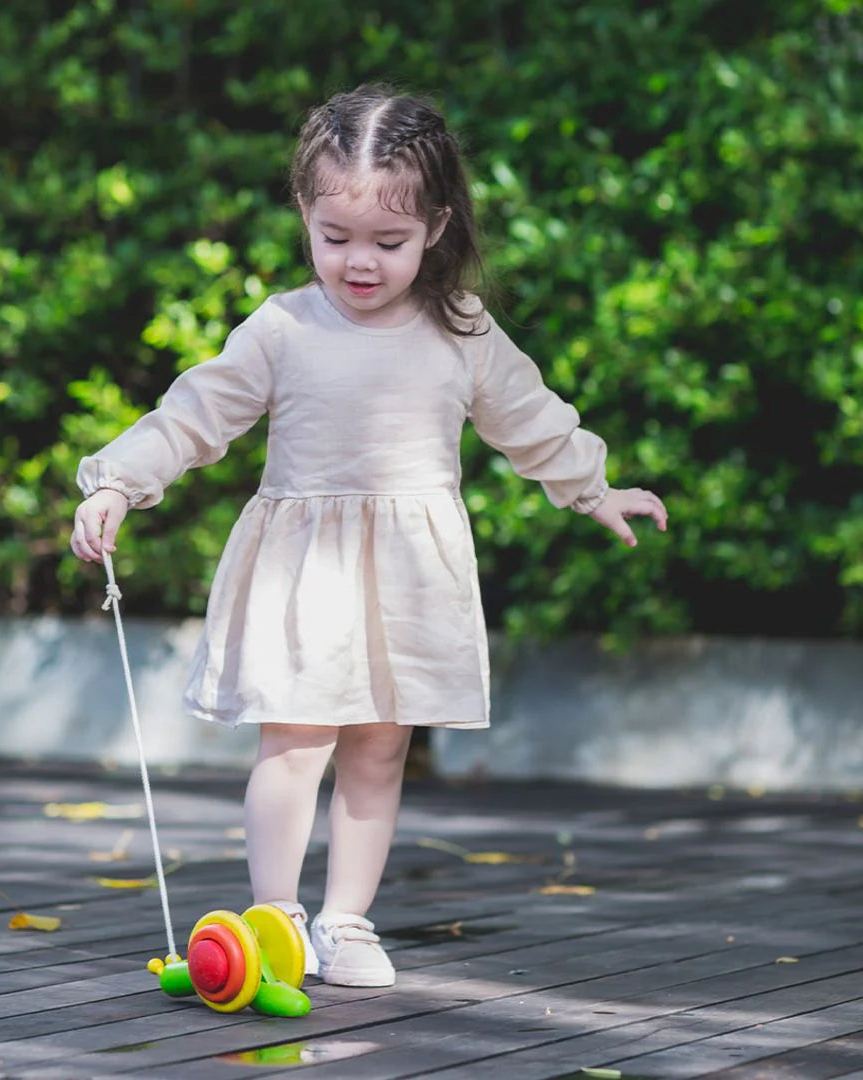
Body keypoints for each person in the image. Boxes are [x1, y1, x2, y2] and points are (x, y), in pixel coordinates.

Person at [70, 84, 668, 988]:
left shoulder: (459, 328)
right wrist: (118, 480)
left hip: (409, 575)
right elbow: (196, 413)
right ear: (304, 217)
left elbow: (529, 417)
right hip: (304, 570)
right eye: (333, 238)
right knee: (297, 739)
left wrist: (594, 488)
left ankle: (349, 920)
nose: (358, 262)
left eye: (387, 242)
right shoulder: (282, 328)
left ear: (435, 226)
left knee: (382, 746)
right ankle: (278, 918)